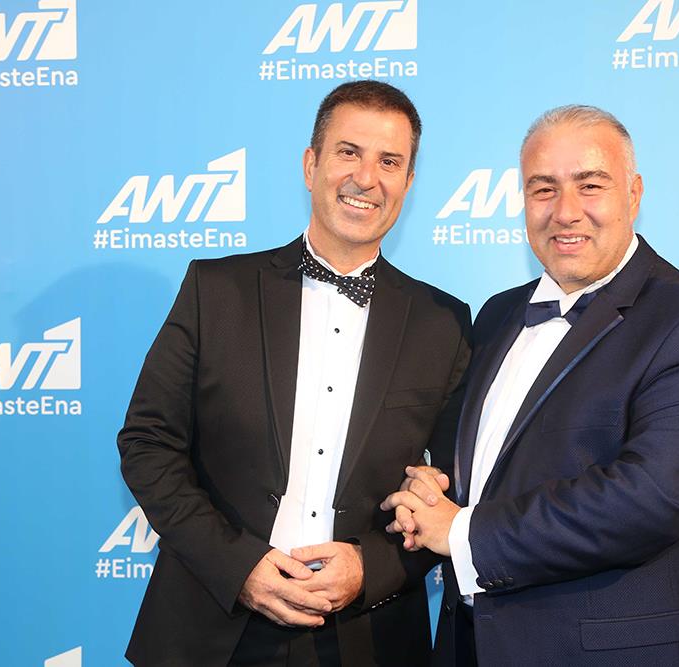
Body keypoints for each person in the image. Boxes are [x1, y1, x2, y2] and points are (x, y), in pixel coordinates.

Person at [382, 105, 679, 666]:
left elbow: (653, 498)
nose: (565, 211)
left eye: (590, 185)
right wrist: (429, 495)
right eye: (543, 189)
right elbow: (491, 469)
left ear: (633, 193)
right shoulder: (498, 314)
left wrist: (462, 532)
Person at [117, 80, 471, 667]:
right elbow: (148, 444)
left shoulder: (445, 322)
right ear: (311, 165)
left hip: (369, 638)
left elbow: (455, 490)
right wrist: (239, 567)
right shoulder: (216, 291)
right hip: (211, 627)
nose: (366, 178)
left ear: (408, 182)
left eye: (389, 162)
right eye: (348, 152)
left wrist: (369, 567)